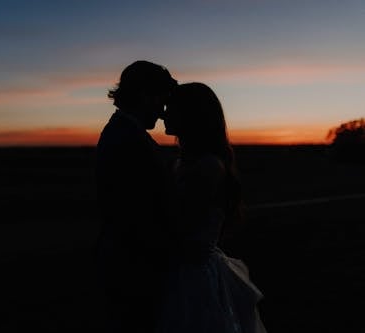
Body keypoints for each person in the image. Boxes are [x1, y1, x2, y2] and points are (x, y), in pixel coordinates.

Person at [156, 82, 267, 333]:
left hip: (192, 280)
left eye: (171, 108)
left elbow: (180, 227)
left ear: (191, 116)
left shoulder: (208, 167)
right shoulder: (184, 163)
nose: (164, 113)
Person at [95, 60, 178, 333]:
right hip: (135, 270)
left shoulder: (124, 133)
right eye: (161, 101)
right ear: (145, 95)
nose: (163, 112)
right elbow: (139, 214)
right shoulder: (128, 140)